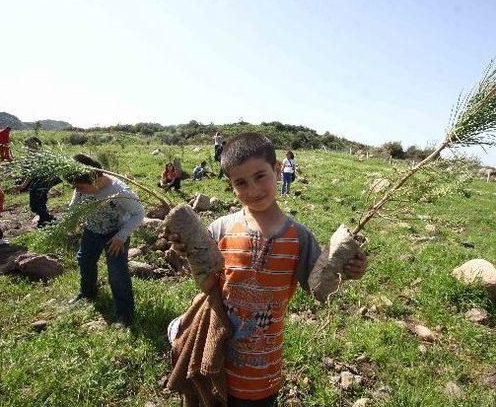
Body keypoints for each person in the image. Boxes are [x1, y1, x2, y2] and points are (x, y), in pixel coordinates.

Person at [167, 133, 367, 405]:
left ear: (277, 170)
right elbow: (208, 287)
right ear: (231, 185)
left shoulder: (300, 237)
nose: (253, 190)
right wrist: (191, 252)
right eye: (241, 182)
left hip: (263, 371)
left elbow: (318, 287)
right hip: (217, 359)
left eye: (260, 176)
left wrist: (348, 268)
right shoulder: (220, 229)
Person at [67, 154, 144, 327]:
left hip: (115, 236)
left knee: (117, 274)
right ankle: (88, 293)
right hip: (91, 230)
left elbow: (139, 213)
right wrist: (73, 211)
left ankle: (125, 314)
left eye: (79, 187)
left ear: (95, 180)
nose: (77, 190)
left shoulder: (120, 191)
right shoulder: (82, 183)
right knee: (85, 260)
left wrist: (121, 236)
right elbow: (76, 199)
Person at [18, 137, 59, 227]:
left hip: (40, 184)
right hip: (43, 183)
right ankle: (44, 220)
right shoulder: (43, 155)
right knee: (41, 202)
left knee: (35, 205)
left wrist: (24, 185)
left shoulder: (37, 157)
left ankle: (48, 218)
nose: (28, 148)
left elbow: (31, 173)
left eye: (30, 145)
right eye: (28, 145)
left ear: (37, 146)